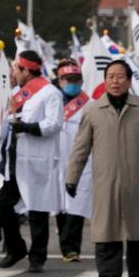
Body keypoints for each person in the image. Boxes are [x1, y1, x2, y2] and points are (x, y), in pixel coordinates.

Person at [65, 59, 139, 277]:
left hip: (138, 182)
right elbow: (80, 147)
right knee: (106, 234)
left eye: (120, 76)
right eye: (111, 76)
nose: (115, 81)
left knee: (138, 234)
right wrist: (72, 177)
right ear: (104, 80)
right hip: (106, 183)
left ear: (129, 80)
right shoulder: (93, 110)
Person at [8, 50, 64, 273]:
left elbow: (54, 124)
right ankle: (16, 246)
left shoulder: (51, 93)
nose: (14, 73)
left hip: (37, 157)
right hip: (14, 158)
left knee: (37, 210)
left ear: (25, 70)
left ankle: (37, 256)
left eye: (16, 69)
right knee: (2, 204)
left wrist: (28, 128)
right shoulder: (15, 92)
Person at [54, 60, 92, 263]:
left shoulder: (89, 105)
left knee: (77, 205)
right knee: (59, 205)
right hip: (55, 160)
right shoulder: (51, 101)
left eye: (77, 79)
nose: (73, 83)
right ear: (59, 80)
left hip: (81, 162)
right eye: (69, 79)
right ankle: (64, 244)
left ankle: (71, 248)